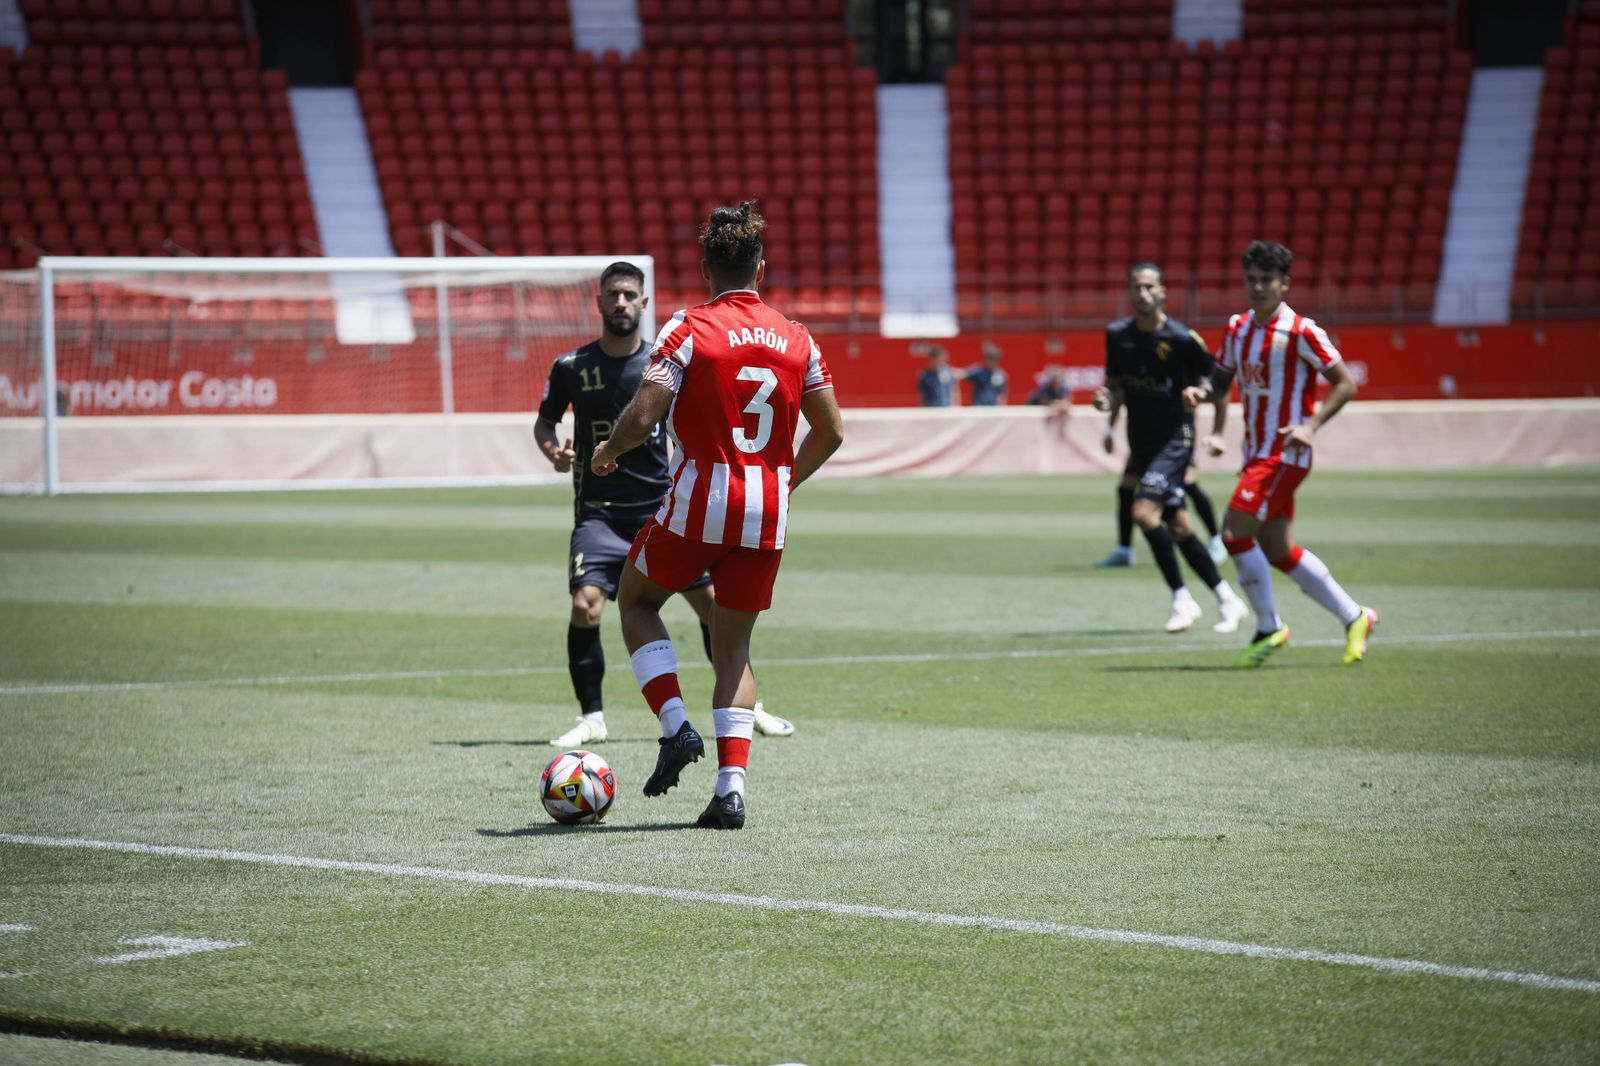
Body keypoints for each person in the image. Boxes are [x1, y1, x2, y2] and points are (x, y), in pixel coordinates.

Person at [590, 202, 844, 829]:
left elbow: (646, 413)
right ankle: (731, 792)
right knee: (733, 648)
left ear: (706, 270)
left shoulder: (688, 327)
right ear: (762, 270)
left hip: (700, 499)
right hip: (766, 512)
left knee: (637, 601)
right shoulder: (798, 337)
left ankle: (676, 728)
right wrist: (783, 483)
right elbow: (832, 432)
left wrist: (608, 451)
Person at [535, 261, 794, 749]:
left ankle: (749, 706)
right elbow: (545, 423)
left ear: (644, 303)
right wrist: (554, 451)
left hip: (663, 508)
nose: (621, 303)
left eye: (630, 295)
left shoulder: (667, 358)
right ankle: (592, 717)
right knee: (586, 606)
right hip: (600, 513)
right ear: (599, 302)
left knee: (716, 608)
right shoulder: (571, 367)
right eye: (612, 295)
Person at [1183, 240, 1377, 668]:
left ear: (1284, 284)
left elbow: (1345, 383)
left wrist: (1311, 425)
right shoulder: (1238, 328)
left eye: (1266, 280)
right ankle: (1355, 616)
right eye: (1251, 280)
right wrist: (1201, 393)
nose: (1258, 288)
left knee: (1234, 532)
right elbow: (1220, 383)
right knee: (1276, 548)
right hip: (1257, 454)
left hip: (1285, 453)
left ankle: (1269, 626)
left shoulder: (1302, 331)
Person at [1094, 262, 1249, 634]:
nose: (1143, 294)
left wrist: (1216, 431)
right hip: (1142, 442)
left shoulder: (1181, 338)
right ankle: (1228, 598)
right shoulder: (1117, 335)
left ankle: (1182, 599)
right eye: (1137, 287)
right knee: (1178, 525)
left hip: (1175, 441)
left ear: (1162, 292)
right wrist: (1107, 403)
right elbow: (1115, 385)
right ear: (1129, 292)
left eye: (1150, 287)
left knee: (1144, 512)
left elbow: (1219, 382)